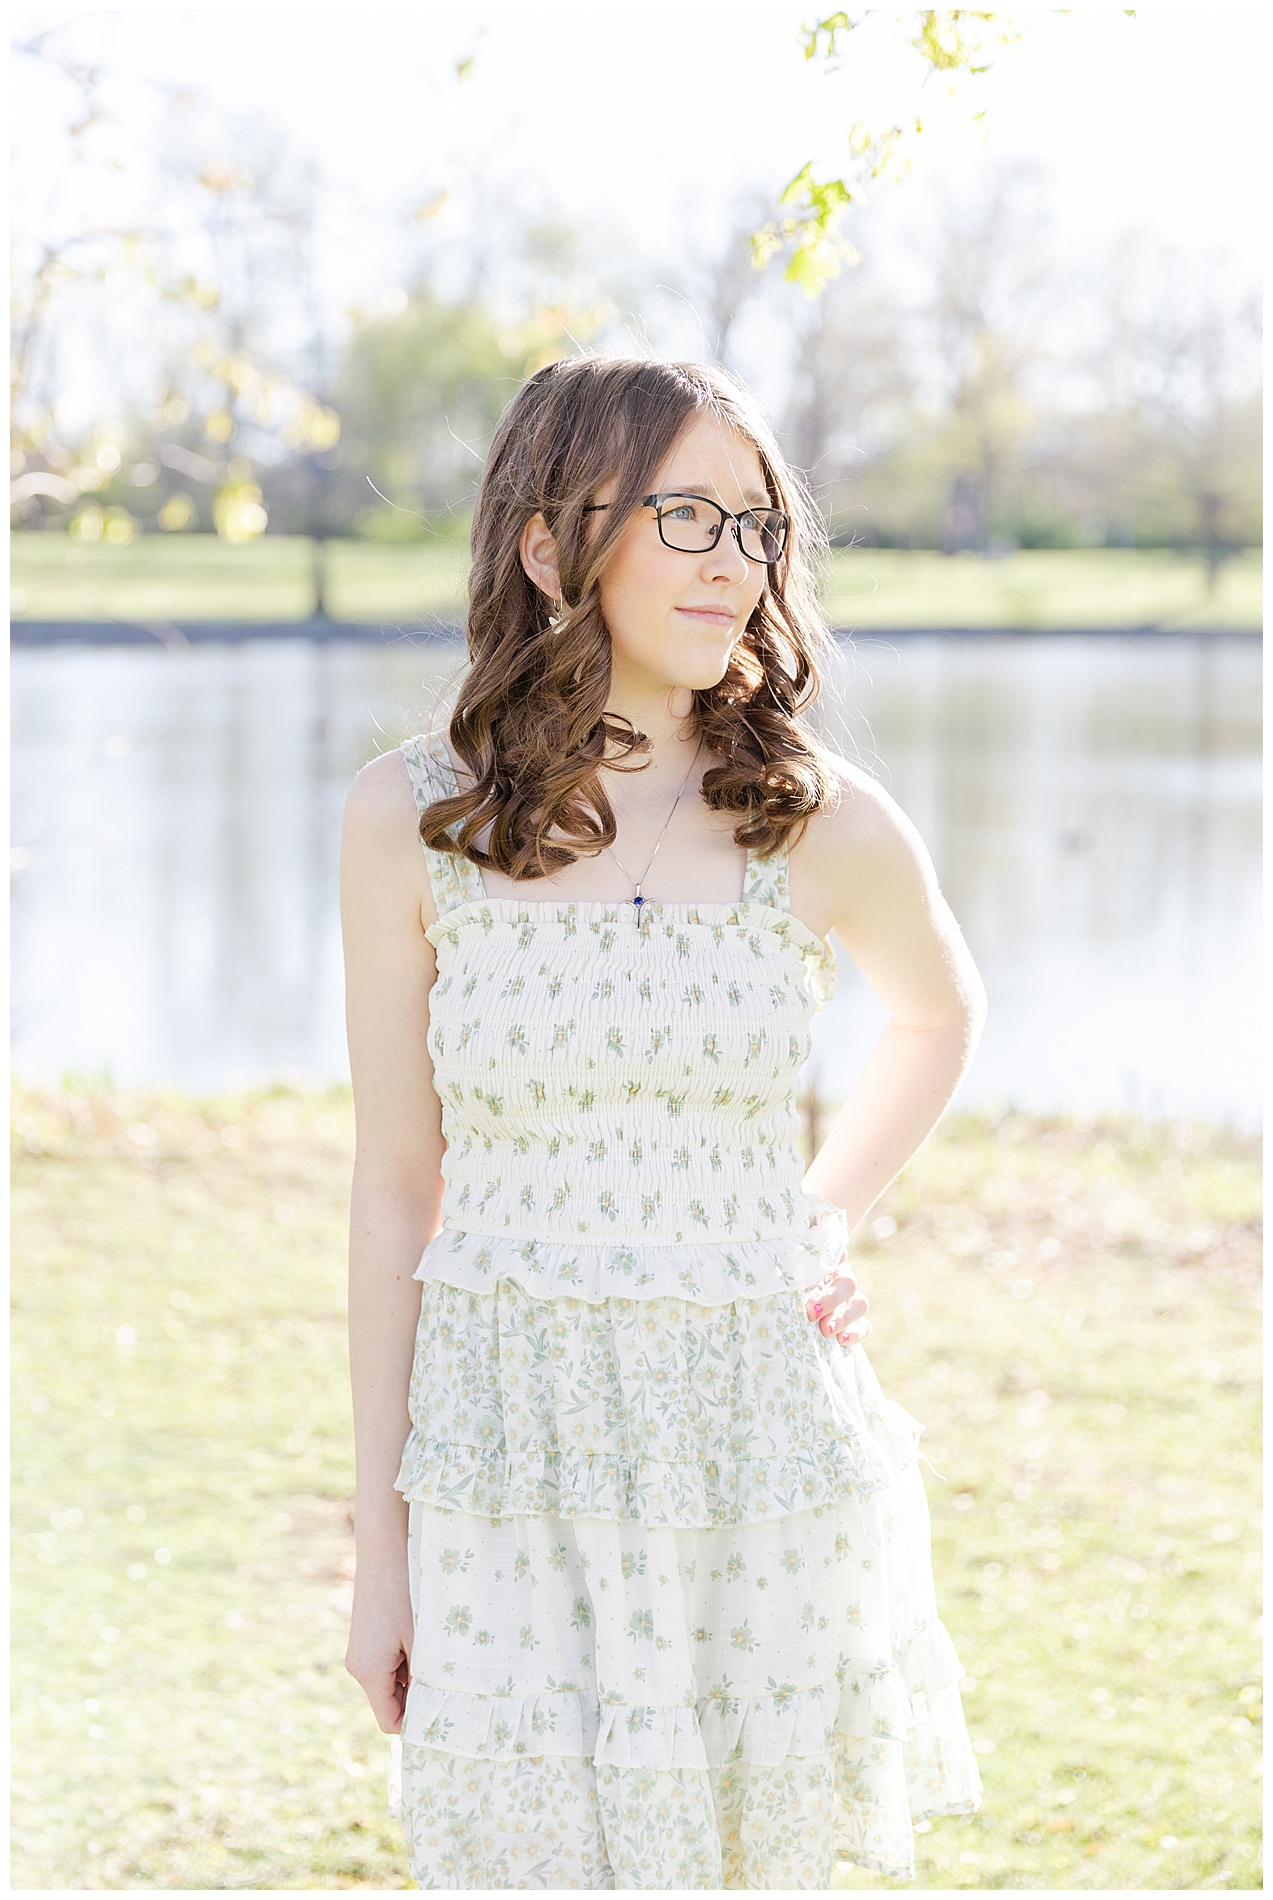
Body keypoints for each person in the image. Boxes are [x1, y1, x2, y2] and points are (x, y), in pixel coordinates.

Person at [339, 355, 986, 1890]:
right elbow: (390, 1189)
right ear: (552, 545)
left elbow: (938, 1016)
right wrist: (383, 1551)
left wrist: (822, 1212)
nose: (732, 560)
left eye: (758, 523)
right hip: (508, 1445)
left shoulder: (816, 814)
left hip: (754, 1441)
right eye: (683, 514)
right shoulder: (412, 819)